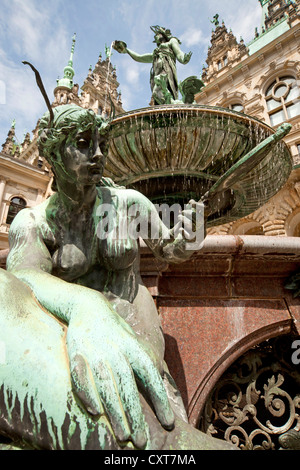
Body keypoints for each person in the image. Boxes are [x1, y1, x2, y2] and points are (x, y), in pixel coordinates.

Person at [0, 104, 234, 450]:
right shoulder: (34, 221)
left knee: (122, 392)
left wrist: (188, 238)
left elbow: (167, 248)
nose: (97, 154)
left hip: (132, 316)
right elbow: (24, 280)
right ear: (52, 154)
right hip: (67, 322)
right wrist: (86, 306)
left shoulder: (127, 203)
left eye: (101, 145)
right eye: (82, 143)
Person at [113, 26, 192, 105]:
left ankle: (171, 105)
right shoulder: (155, 54)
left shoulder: (172, 41)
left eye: (157, 34)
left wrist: (184, 58)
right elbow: (139, 57)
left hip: (167, 70)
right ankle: (168, 108)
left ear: (163, 34)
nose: (155, 37)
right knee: (157, 94)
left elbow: (179, 53)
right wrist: (126, 50)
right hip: (157, 74)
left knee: (158, 90)